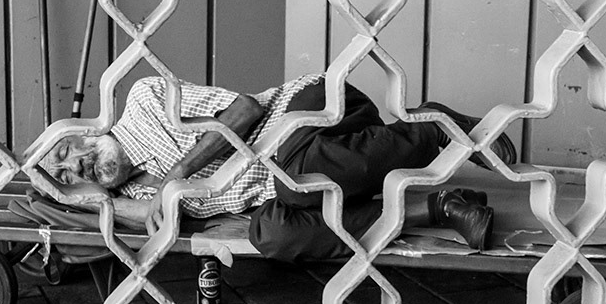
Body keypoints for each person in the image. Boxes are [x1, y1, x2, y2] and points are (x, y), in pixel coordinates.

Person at [43, 73, 516, 262]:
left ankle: (433, 127)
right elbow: (161, 222)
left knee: (294, 180)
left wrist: (174, 178)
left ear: (82, 128)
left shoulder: (144, 100)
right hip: (303, 181)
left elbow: (245, 109)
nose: (77, 165)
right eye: (65, 176)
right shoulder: (135, 199)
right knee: (271, 232)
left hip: (311, 113)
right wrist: (87, 200)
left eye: (66, 150)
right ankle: (438, 207)